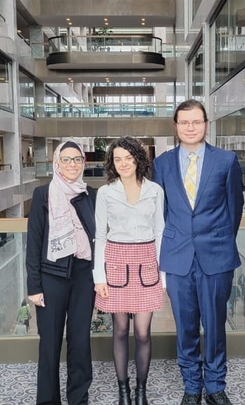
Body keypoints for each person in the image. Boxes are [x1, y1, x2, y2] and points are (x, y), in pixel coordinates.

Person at [153, 100, 244, 405]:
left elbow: (235, 209)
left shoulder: (226, 161)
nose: (190, 128)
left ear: (206, 124)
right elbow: (161, 212)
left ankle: (215, 386)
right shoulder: (162, 164)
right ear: (176, 126)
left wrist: (218, 241)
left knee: (216, 325)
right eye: (184, 122)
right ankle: (192, 386)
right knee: (186, 326)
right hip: (178, 258)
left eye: (196, 122)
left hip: (216, 257)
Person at [93, 137, 165, 405]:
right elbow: (100, 235)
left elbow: (160, 232)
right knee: (120, 329)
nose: (123, 163)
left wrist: (163, 275)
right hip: (116, 260)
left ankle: (141, 390)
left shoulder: (155, 191)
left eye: (128, 157)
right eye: (117, 159)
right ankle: (123, 391)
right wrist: (98, 277)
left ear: (138, 159)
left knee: (144, 332)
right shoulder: (106, 193)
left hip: (147, 260)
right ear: (112, 163)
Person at [26, 141, 97, 405]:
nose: (72, 165)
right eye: (66, 160)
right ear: (57, 163)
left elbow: (98, 237)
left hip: (83, 276)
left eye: (77, 159)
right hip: (51, 276)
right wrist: (34, 286)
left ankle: (78, 398)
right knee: (50, 344)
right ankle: (48, 401)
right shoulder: (42, 194)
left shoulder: (92, 195)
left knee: (80, 341)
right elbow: (33, 242)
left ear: (83, 163)